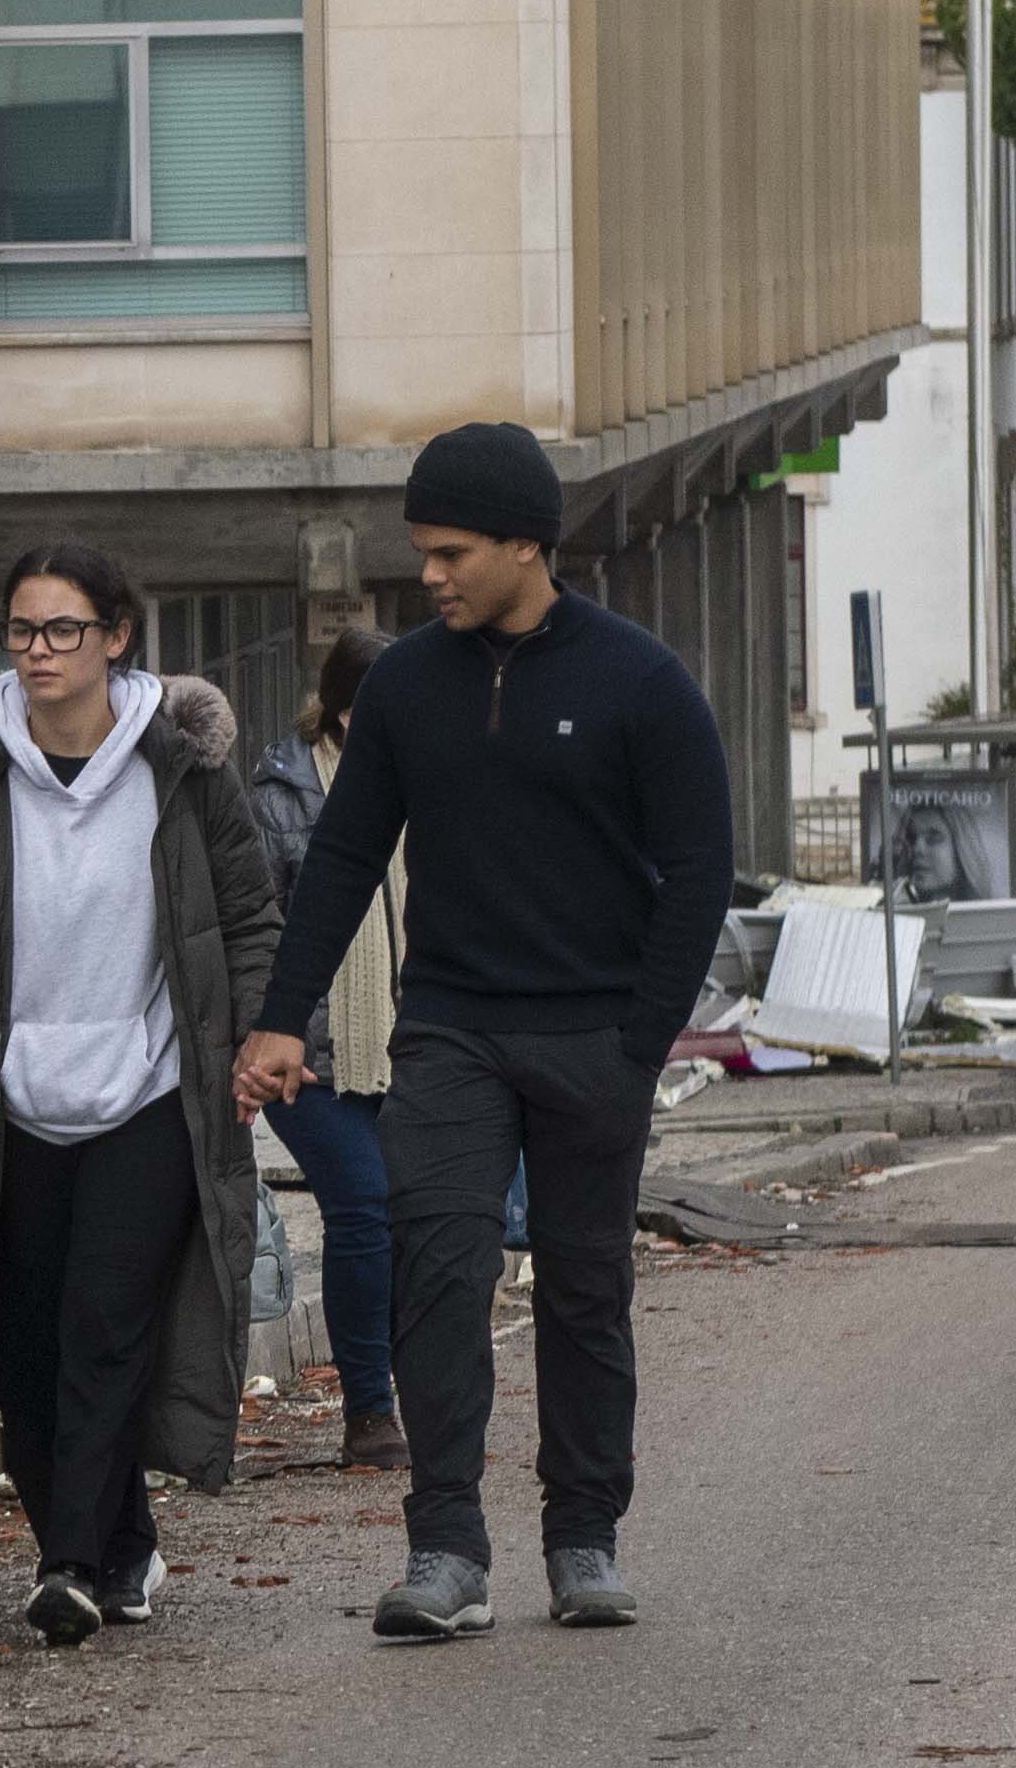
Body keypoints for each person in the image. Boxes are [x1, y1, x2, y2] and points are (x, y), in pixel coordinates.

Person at [235, 425, 739, 1642]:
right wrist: (281, 1019)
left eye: (453, 553)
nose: (433, 578)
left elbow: (699, 868)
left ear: (527, 544)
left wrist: (640, 1042)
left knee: (582, 1289)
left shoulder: (639, 681)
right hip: (452, 1028)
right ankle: (447, 1549)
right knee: (441, 1276)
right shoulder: (407, 685)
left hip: (593, 1037)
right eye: (425, 554)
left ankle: (584, 1538)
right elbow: (347, 857)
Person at [0, 539, 282, 1645]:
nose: (40, 650)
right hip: (9, 1108)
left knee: (104, 1328)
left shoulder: (183, 767)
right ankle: (122, 1544)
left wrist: (255, 1044)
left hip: (155, 1094)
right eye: (22, 629)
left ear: (116, 637)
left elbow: (248, 920)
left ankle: (65, 1565)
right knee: (21, 1340)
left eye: (64, 628)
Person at [252, 630, 405, 1469]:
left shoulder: (432, 776)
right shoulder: (279, 799)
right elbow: (255, 928)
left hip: (411, 1043)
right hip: (309, 1052)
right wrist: (266, 1030)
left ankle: (425, 1387)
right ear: (346, 714)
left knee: (423, 1220)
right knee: (364, 1207)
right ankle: (370, 1411)